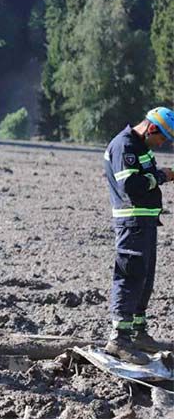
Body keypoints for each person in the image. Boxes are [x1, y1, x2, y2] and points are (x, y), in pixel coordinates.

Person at [102, 107, 174, 364]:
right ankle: (119, 339)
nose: (163, 143)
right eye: (163, 137)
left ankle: (138, 332)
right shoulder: (124, 145)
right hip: (131, 222)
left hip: (145, 221)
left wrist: (158, 176)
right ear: (151, 128)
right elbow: (130, 185)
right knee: (130, 275)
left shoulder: (142, 147)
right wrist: (162, 176)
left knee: (144, 277)